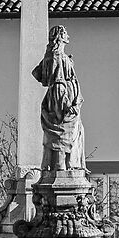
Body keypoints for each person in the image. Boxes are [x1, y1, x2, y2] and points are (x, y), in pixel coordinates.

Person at [33, 24, 83, 174]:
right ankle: (61, 165)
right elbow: (53, 82)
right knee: (62, 132)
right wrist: (67, 104)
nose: (68, 36)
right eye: (65, 33)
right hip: (60, 99)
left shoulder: (56, 56)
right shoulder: (56, 57)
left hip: (64, 96)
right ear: (60, 36)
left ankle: (66, 164)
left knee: (70, 132)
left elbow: (38, 73)